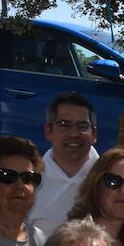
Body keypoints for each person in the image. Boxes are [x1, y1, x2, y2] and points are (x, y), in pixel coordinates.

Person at [27, 92, 100, 237]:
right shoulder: (29, 180)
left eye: (82, 126)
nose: (74, 133)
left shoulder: (110, 180)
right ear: (48, 131)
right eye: (64, 125)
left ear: (94, 134)